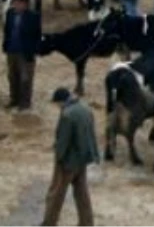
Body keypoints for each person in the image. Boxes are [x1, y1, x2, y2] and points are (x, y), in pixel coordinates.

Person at [43, 87, 99, 227]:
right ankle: (87, 223)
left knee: (56, 195)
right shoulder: (85, 109)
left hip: (68, 162)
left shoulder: (67, 115)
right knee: (82, 194)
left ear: (61, 101)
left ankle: (49, 223)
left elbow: (63, 141)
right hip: (83, 159)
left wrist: (59, 158)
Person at [3, 0, 41, 111]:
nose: (16, 5)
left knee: (25, 78)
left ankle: (25, 103)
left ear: (25, 4)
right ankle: (14, 99)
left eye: (18, 3)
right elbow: (6, 31)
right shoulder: (10, 14)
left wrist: (33, 50)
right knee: (12, 76)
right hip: (11, 50)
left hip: (25, 52)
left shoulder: (33, 17)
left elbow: (37, 35)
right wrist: (5, 45)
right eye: (14, 2)